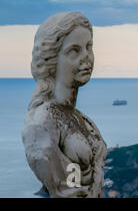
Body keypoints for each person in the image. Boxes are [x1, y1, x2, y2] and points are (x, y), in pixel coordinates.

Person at [22, 12, 106, 198]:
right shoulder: (43, 123)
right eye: (74, 51)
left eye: (88, 47)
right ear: (52, 60)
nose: (87, 57)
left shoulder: (84, 121)